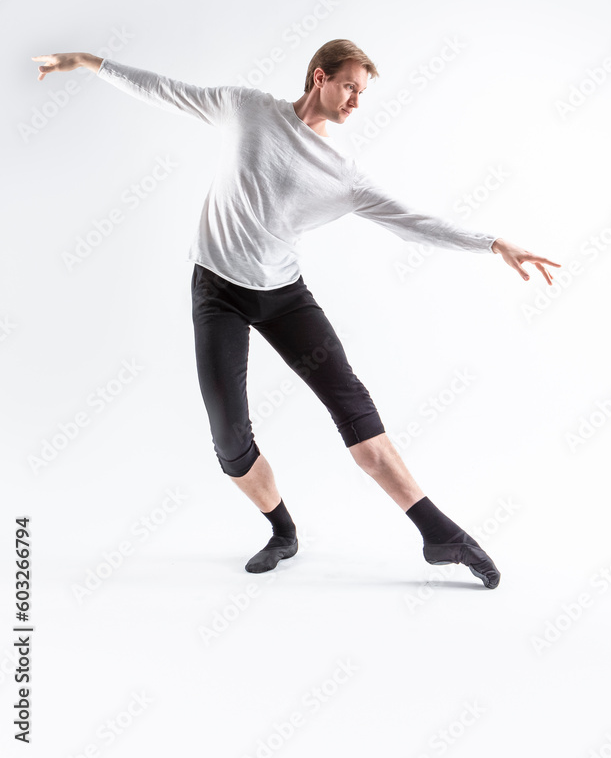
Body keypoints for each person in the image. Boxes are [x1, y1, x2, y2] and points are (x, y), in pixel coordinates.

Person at [32, 40, 560, 589]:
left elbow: (412, 220)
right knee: (229, 439)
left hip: (284, 297)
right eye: (350, 86)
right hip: (216, 291)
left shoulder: (343, 174)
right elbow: (167, 92)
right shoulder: (247, 108)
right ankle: (283, 532)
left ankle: (441, 535)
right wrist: (90, 63)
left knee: (355, 413)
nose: (357, 99)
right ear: (319, 77)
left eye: (362, 91)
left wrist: (494, 243)